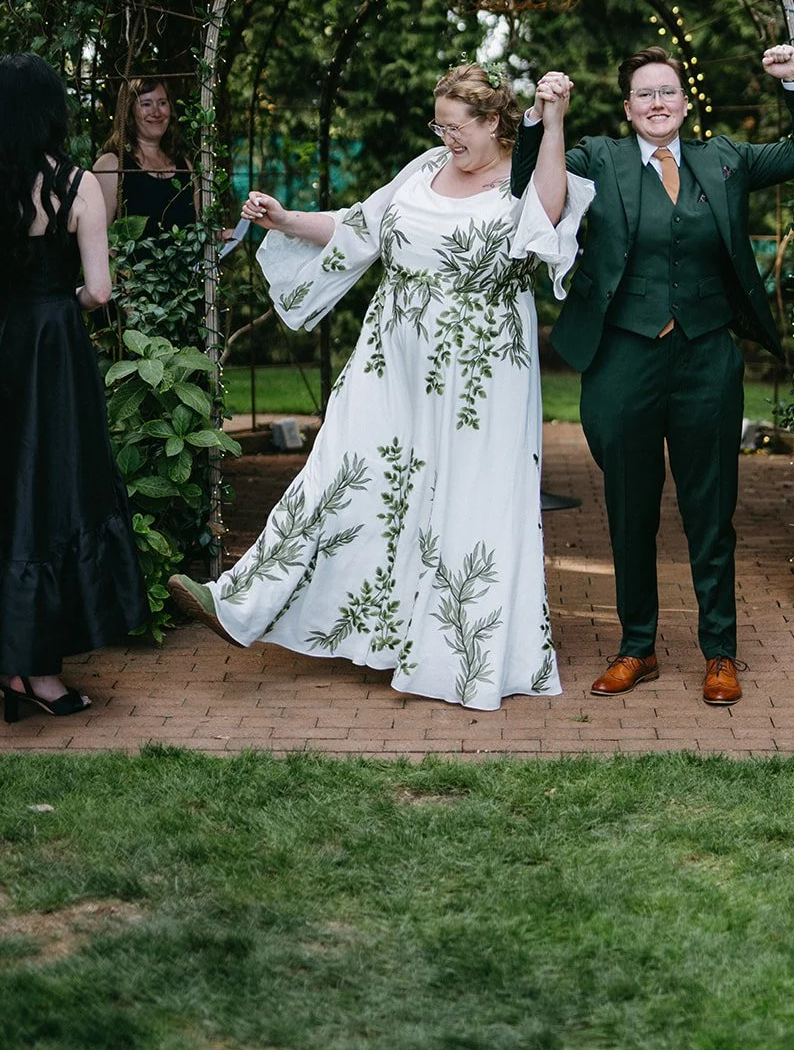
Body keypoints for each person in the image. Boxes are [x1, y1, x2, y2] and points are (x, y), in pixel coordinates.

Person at [168, 64, 593, 710]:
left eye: (457, 128)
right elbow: (357, 228)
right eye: (439, 125)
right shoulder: (424, 168)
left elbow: (551, 217)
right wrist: (285, 220)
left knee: (462, 501)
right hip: (389, 360)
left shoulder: (524, 171)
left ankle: (452, 653)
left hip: (479, 375)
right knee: (342, 473)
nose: (446, 138)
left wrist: (554, 119)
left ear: (493, 122)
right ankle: (239, 602)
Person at [511, 44, 794, 705]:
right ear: (627, 109)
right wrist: (545, 116)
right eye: (645, 94)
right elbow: (525, 186)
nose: (658, 103)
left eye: (668, 91)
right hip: (623, 356)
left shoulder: (726, 160)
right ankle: (636, 647)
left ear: (685, 102)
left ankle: (719, 652)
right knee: (630, 511)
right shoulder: (597, 159)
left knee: (709, 511)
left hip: (707, 355)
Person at [0, 54, 147, 723]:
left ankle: (12, 666)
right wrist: (62, 302)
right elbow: (99, 289)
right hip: (53, 351)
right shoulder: (77, 183)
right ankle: (38, 674)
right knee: (52, 492)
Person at [93, 75, 196, 234]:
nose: (156, 112)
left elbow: (197, 229)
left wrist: (219, 237)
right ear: (128, 112)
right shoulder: (111, 165)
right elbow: (97, 238)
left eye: (162, 103)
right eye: (146, 104)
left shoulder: (185, 166)